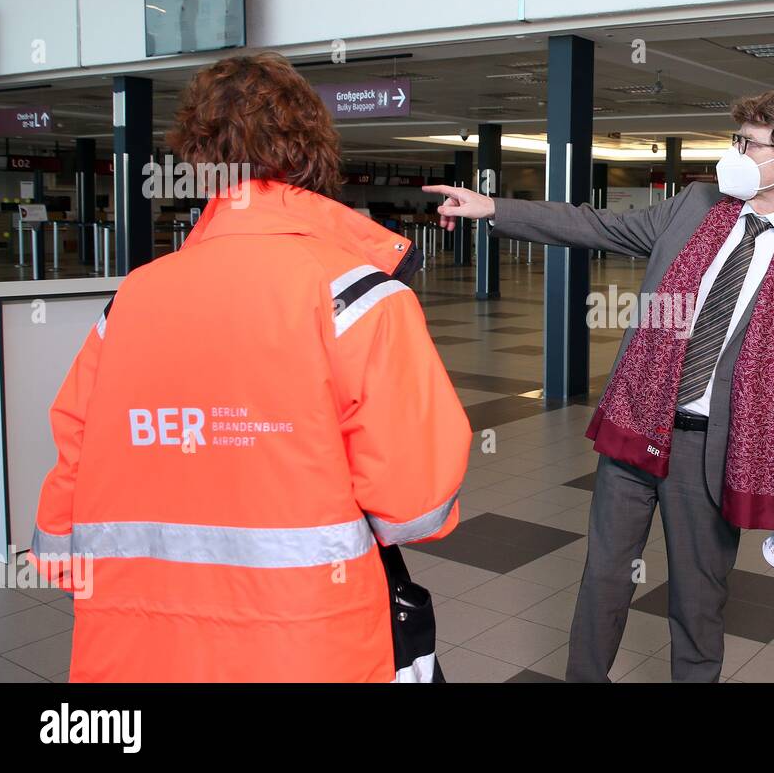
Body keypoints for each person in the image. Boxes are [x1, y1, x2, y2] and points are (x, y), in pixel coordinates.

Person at [30, 52, 470, 682]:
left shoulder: (131, 300)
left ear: (201, 162)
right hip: (306, 645)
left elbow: (61, 519)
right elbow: (413, 507)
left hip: (136, 652)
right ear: (314, 152)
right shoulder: (358, 297)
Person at [423, 89, 774, 682]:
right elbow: (597, 224)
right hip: (639, 427)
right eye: (737, 139)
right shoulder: (697, 205)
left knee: (697, 605)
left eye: (748, 144)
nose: (733, 154)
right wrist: (494, 209)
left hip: (714, 454)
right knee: (603, 579)